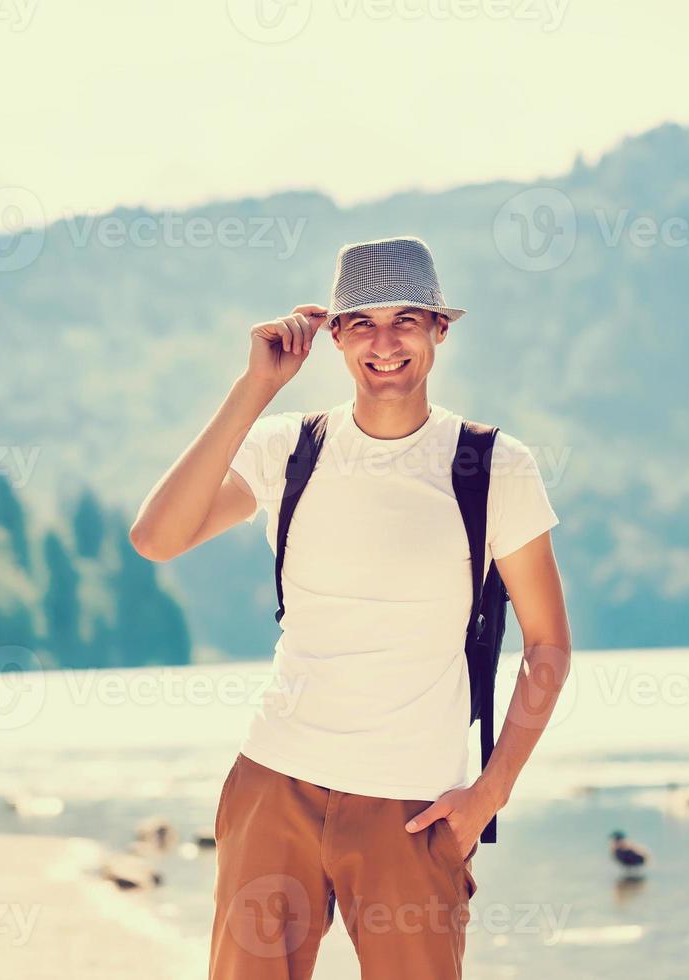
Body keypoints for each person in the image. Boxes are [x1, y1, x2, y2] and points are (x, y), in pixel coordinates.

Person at [129, 237, 573, 979]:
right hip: (275, 785)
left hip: (414, 807)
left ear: (440, 329)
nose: (386, 341)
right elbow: (157, 537)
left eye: (406, 318)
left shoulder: (493, 465)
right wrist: (255, 388)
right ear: (334, 336)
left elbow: (548, 646)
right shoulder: (289, 449)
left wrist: (490, 791)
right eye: (362, 322)